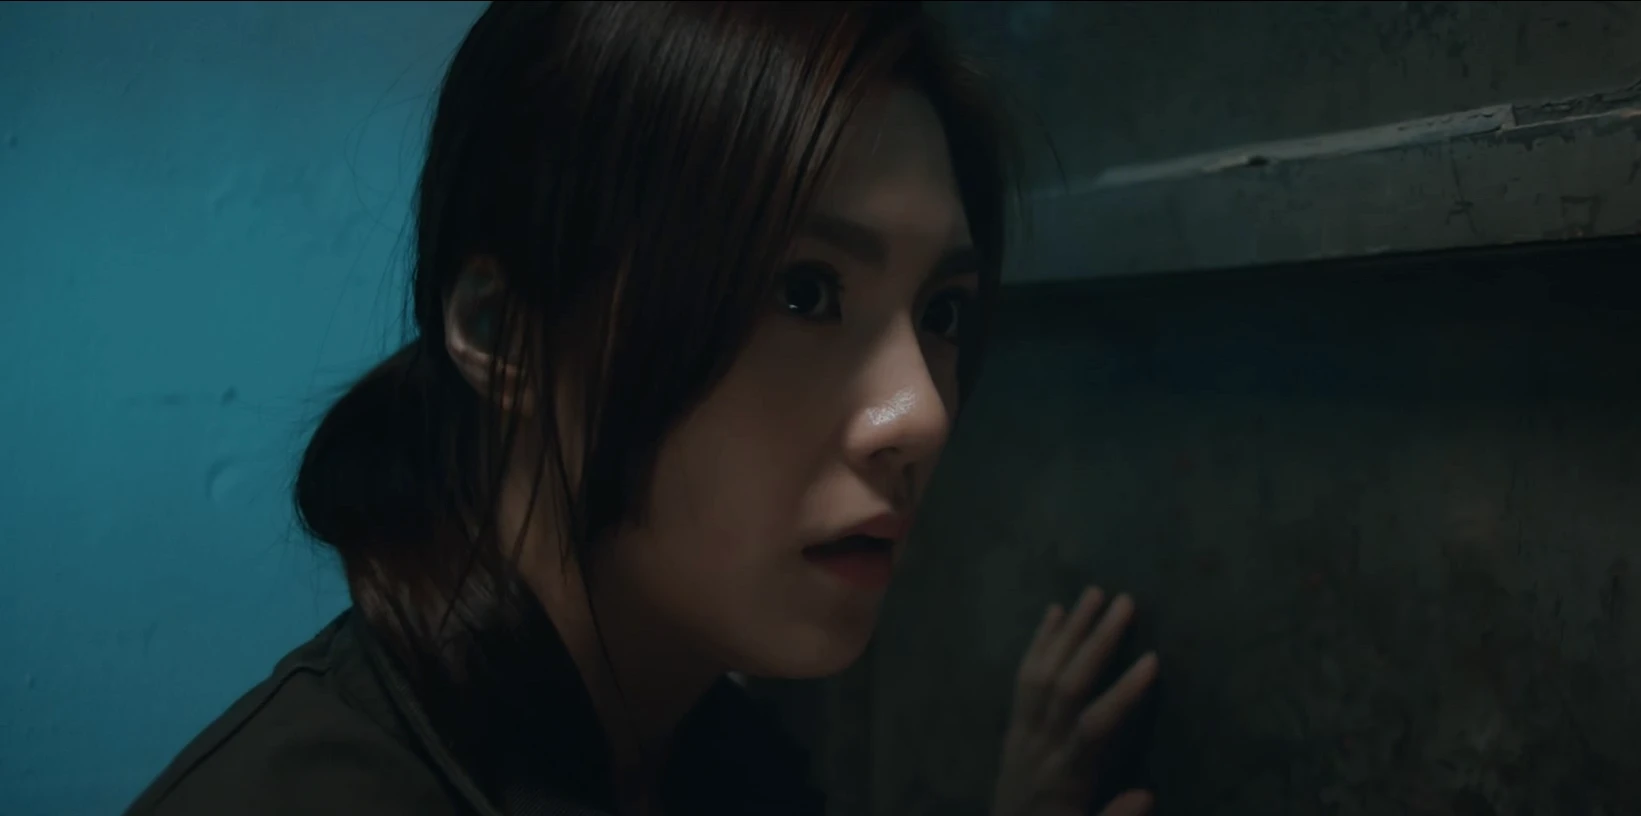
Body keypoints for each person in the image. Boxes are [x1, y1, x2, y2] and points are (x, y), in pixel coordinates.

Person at [125, 3, 1159, 815]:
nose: (921, 412)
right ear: (503, 331)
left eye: (941, 312)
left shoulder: (725, 762)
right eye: (803, 292)